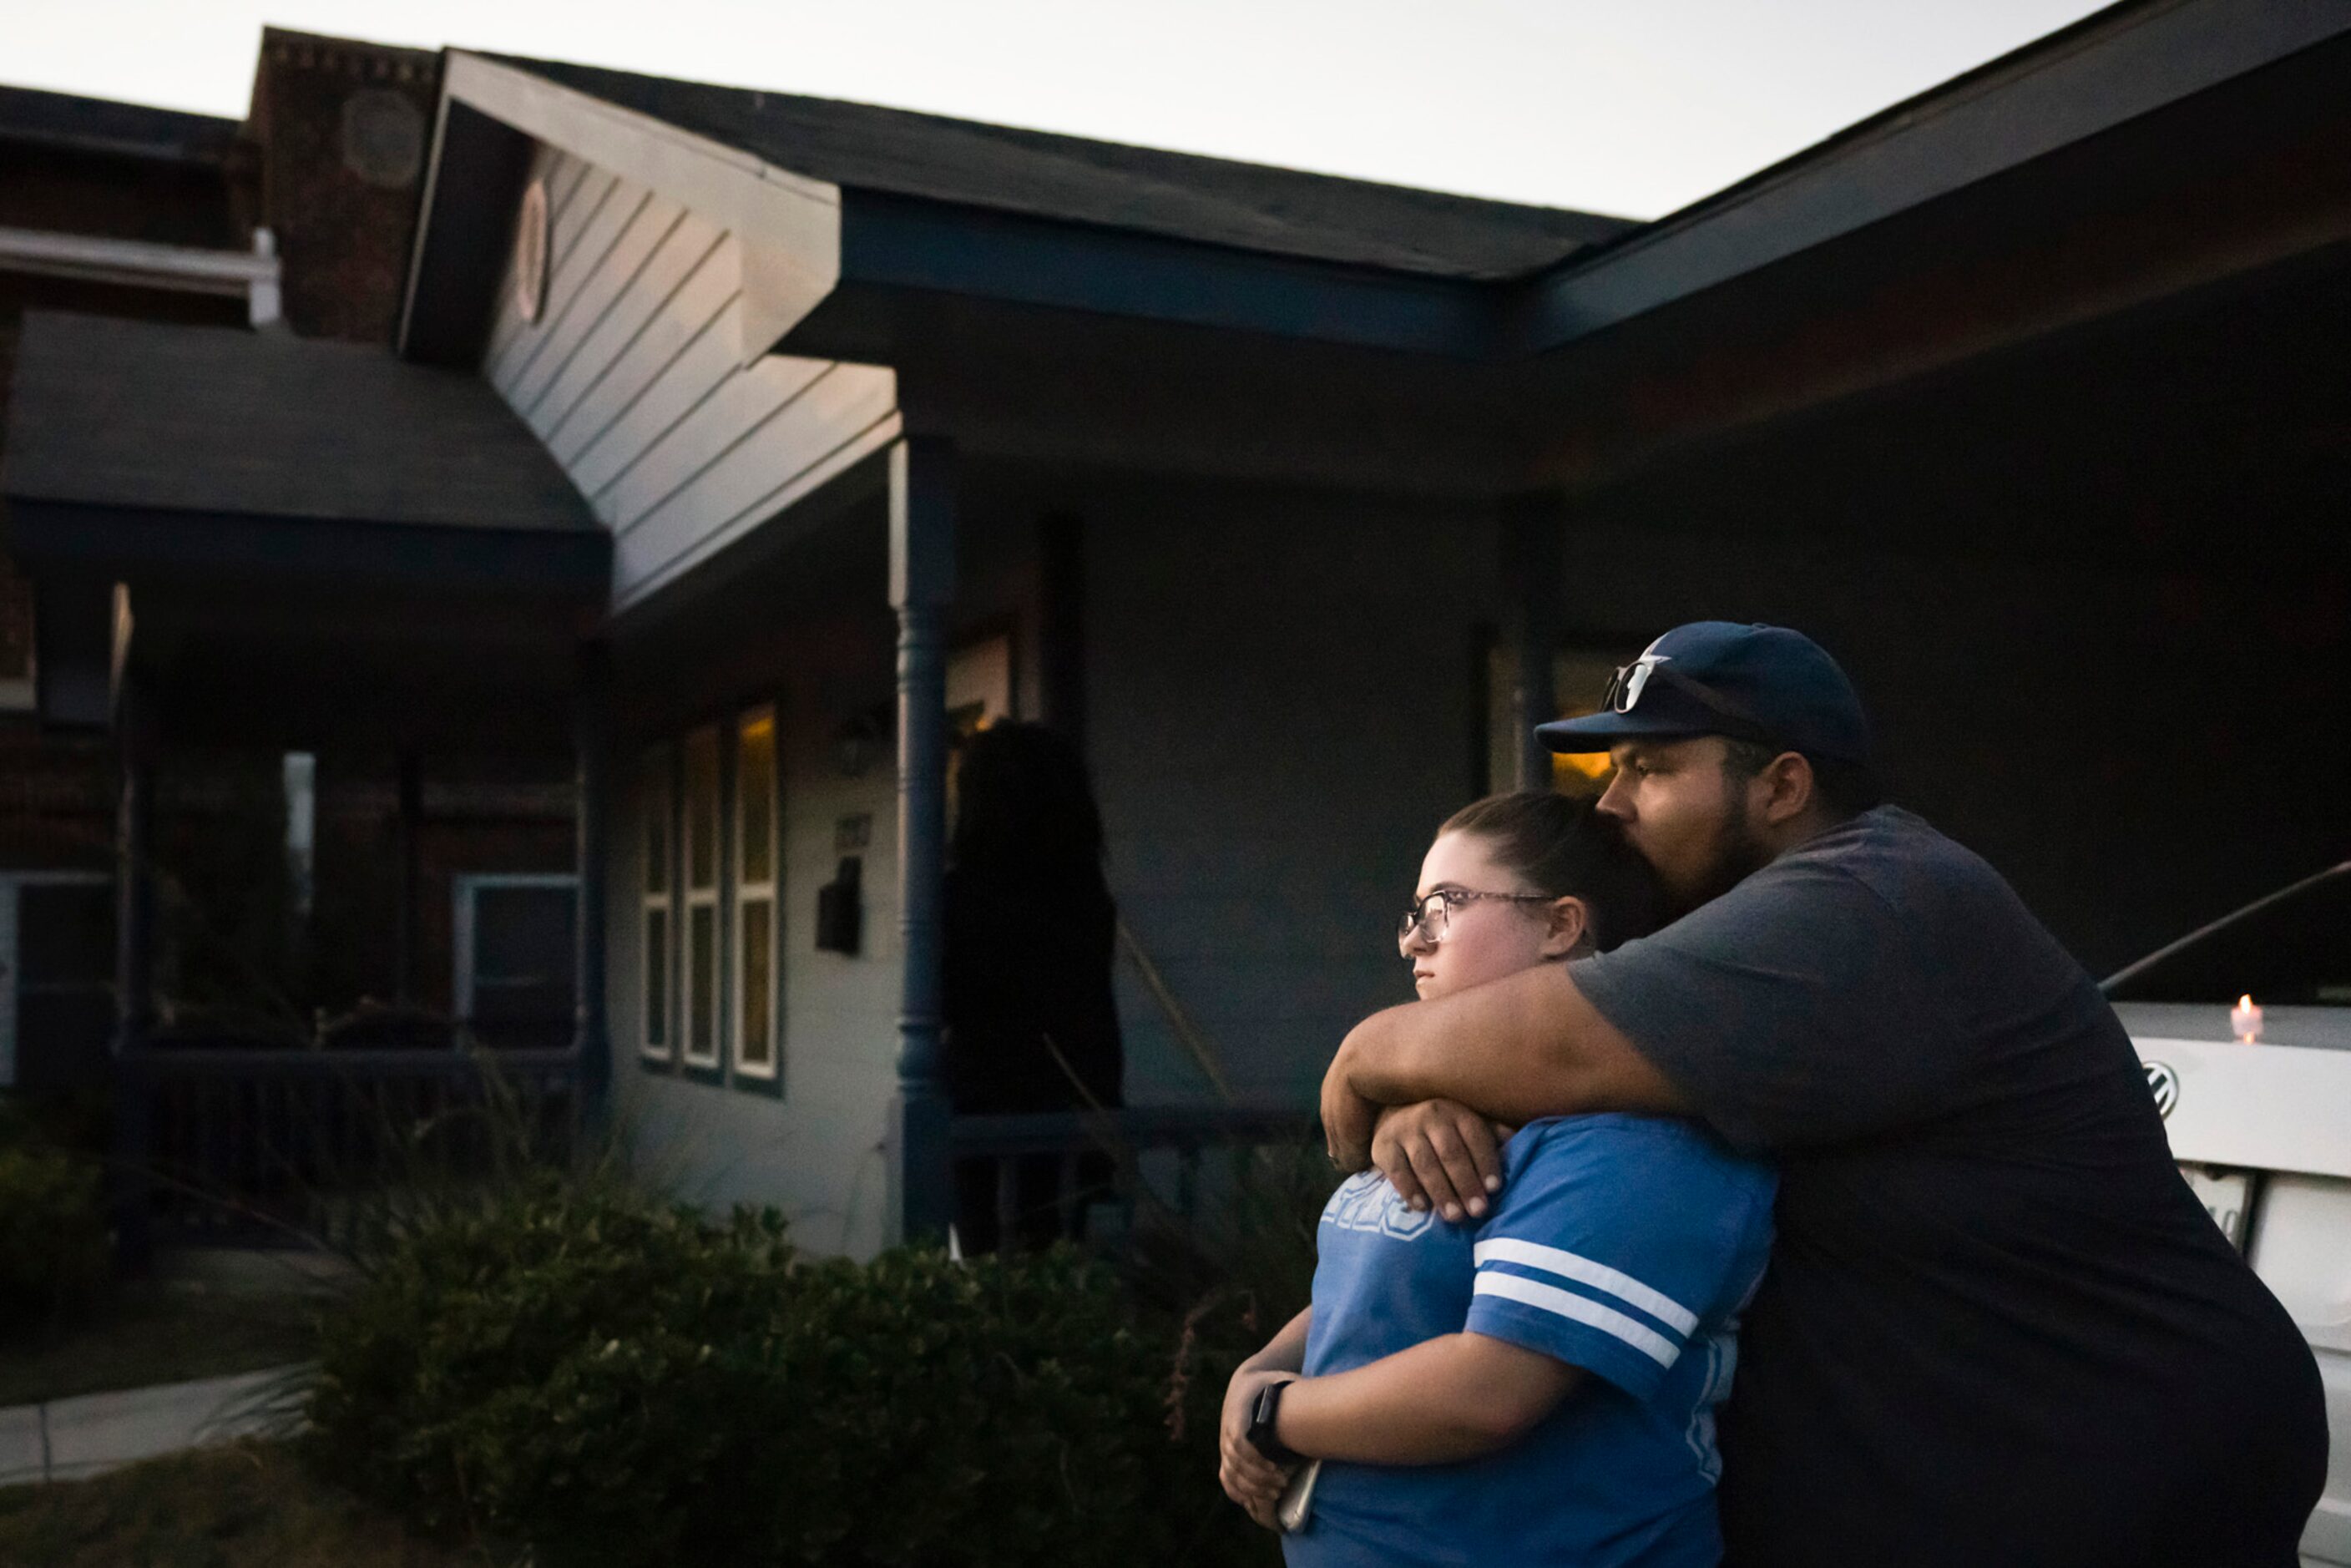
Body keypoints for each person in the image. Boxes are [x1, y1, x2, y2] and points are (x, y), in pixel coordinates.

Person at [1320, 621, 2328, 1568]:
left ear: (1781, 786)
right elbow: (1544, 1065)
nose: (1610, 805)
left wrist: (1374, 1055)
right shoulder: (1760, 938)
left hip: (2113, 1451)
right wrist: (1427, 1096)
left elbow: (1553, 1047)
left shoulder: (1868, 902)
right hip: (2005, 1452)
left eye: (1653, 768)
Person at [1221, 791, 1774, 1566]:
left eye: (1443, 906)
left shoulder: (1637, 1144)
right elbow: (1366, 1302)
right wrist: (1258, 1369)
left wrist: (1272, 1412)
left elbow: (1485, 1398)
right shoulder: (1452, 1113)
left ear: (1560, 925)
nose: (1413, 940)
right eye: (1411, 911)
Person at [941, 721, 1124, 1252]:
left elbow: (947, 1002)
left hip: (985, 1107)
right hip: (1077, 1101)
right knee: (1054, 1254)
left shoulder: (961, 898)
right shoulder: (1084, 896)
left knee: (986, 1256)